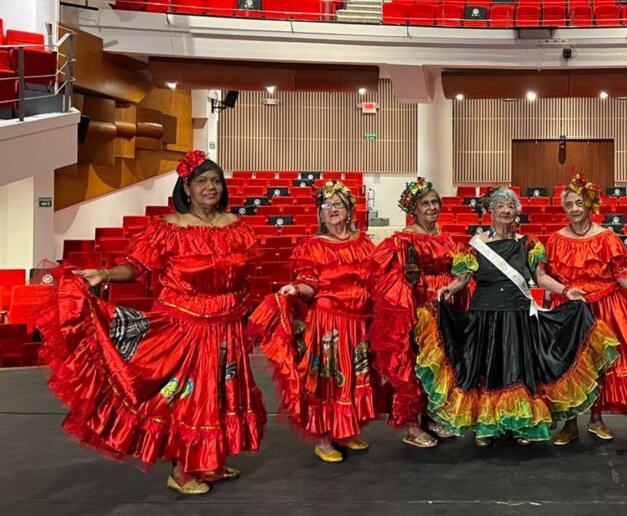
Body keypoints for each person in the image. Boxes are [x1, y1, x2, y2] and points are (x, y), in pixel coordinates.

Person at [38, 151, 265, 495]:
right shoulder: (169, 228)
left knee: (219, 396)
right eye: (201, 181)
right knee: (188, 399)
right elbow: (137, 267)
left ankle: (209, 460)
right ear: (186, 187)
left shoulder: (236, 226)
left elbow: (245, 279)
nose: (210, 187)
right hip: (184, 328)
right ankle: (182, 469)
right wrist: (105, 273)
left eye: (216, 181)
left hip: (226, 327)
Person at [413, 187, 620, 446]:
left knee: (518, 371)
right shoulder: (474, 247)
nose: (506, 210)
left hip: (518, 315)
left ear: (516, 212)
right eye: (501, 205)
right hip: (485, 316)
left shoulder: (529, 244)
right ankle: (488, 428)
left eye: (511, 206)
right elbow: (463, 280)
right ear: (491, 211)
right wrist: (449, 288)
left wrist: (566, 291)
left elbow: (541, 277)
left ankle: (522, 425)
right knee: (488, 371)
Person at [544, 174, 627, 444]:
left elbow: (620, 273)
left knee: (600, 366)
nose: (574, 208)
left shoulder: (607, 237)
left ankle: (596, 420)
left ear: (590, 204)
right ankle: (570, 424)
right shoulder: (555, 239)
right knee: (571, 366)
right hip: (571, 310)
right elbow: (547, 277)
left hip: (605, 308)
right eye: (569, 204)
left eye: (579, 202)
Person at [248, 180, 376, 463]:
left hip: (358, 325)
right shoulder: (312, 246)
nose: (332, 210)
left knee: (353, 380)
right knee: (328, 381)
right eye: (326, 206)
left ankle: (345, 431)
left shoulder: (364, 243)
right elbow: (309, 283)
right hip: (329, 325)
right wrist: (294, 289)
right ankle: (323, 439)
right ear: (319, 213)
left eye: (338, 205)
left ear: (350, 210)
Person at [368, 178, 471, 448]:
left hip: (444, 309)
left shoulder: (446, 238)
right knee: (413, 366)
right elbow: (389, 278)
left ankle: (430, 416)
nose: (432, 207)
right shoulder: (401, 241)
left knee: (436, 366)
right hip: (416, 310)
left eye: (435, 202)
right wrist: (408, 310)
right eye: (425, 203)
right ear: (414, 208)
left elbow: (459, 269)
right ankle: (412, 426)